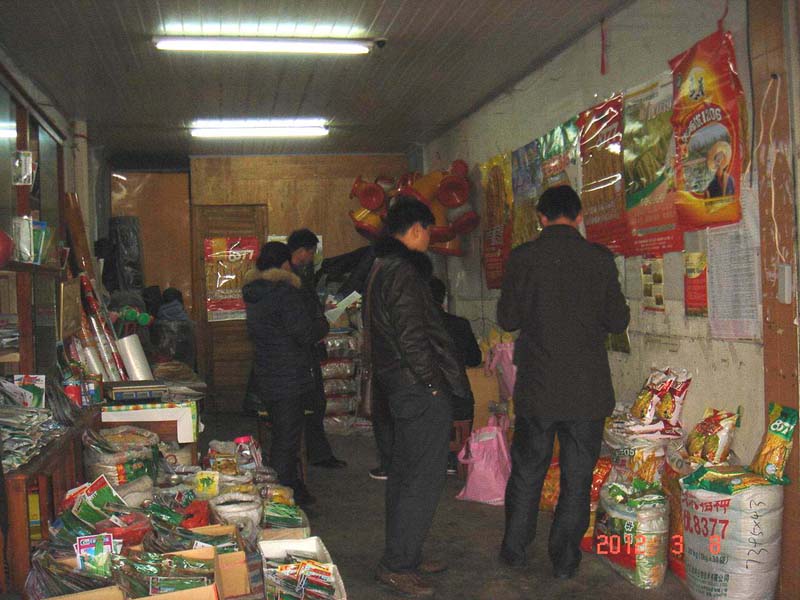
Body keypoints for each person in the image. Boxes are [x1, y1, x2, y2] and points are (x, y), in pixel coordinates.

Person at [497, 185, 630, 579]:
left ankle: (515, 551)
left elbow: (507, 319)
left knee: (527, 471)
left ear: (541, 217)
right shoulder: (599, 259)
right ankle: (565, 561)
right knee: (577, 477)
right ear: (579, 215)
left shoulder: (523, 258)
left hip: (538, 387)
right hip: (587, 391)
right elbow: (617, 321)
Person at [366, 196, 470, 597]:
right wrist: (432, 384)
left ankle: (406, 552)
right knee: (421, 480)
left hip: (401, 387)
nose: (429, 239)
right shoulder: (403, 271)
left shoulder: (382, 266)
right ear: (415, 230)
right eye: (428, 231)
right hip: (417, 390)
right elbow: (412, 338)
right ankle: (398, 565)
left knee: (407, 475)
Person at [242, 241, 329, 507]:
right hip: (289, 375)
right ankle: (279, 497)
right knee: (286, 439)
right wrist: (322, 325)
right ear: (284, 264)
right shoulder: (284, 293)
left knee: (282, 435)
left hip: (267, 372)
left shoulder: (255, 292)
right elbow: (303, 332)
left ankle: (291, 487)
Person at [370, 276, 481, 480]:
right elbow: (475, 359)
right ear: (443, 299)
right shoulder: (460, 324)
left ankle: (393, 464)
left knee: (387, 399)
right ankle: (451, 459)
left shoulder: (405, 328)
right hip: (458, 403)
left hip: (421, 403)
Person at [287, 228, 347, 469]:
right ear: (302, 251)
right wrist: (321, 325)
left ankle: (313, 452)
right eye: (311, 253)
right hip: (301, 353)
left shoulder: (296, 277)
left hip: (299, 352)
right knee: (313, 404)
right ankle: (316, 454)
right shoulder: (293, 280)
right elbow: (303, 320)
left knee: (312, 404)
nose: (312, 258)